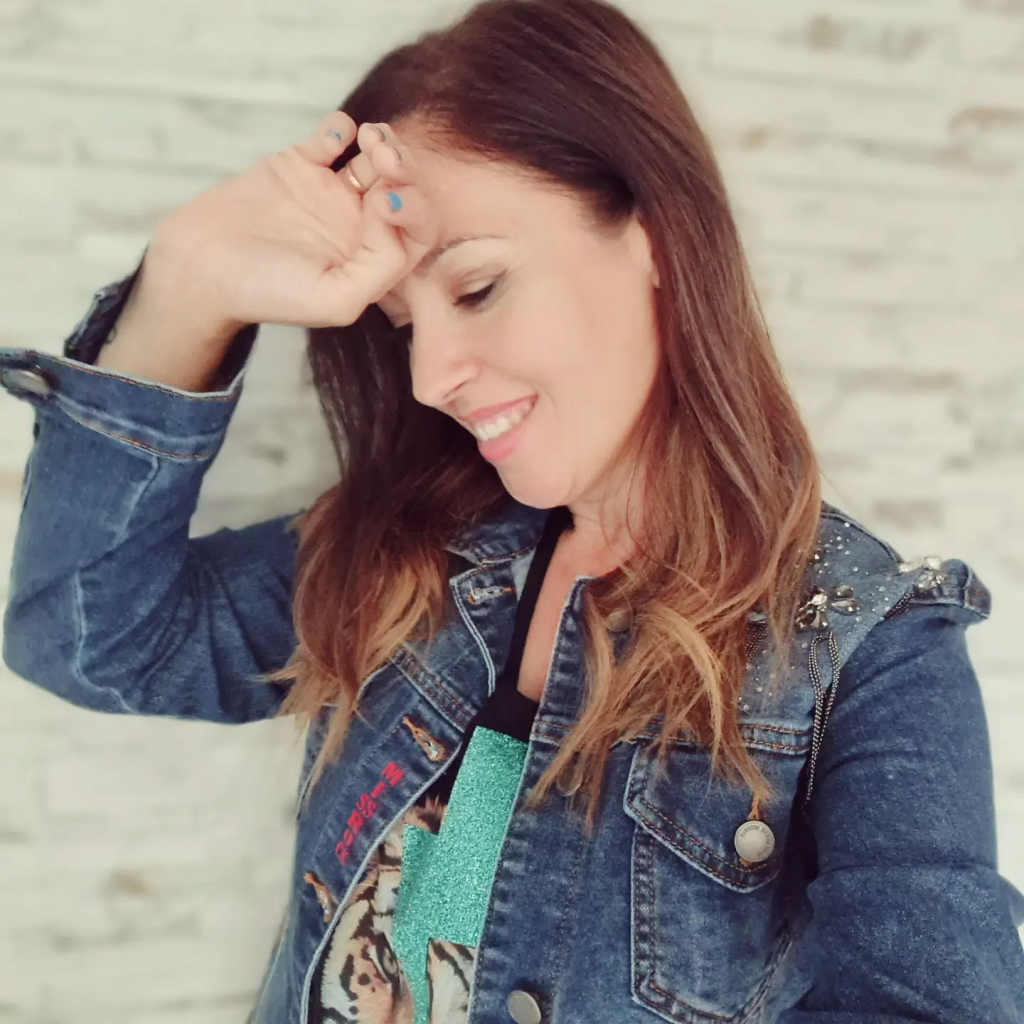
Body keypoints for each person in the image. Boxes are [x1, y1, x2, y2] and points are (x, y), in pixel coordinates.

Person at [2, 0, 1023, 1022]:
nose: (430, 377)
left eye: (478, 287)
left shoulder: (869, 658)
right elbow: (87, 632)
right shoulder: (412, 555)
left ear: (657, 236)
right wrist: (187, 284)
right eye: (404, 324)